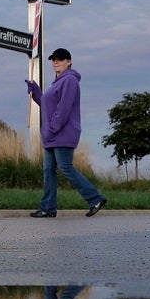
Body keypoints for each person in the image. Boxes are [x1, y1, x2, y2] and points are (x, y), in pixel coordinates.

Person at [25, 49, 107, 218]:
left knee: (66, 168)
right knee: (48, 171)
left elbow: (63, 109)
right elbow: (48, 106)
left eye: (60, 59)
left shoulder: (69, 80)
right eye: (54, 60)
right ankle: (48, 207)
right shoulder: (56, 83)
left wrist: (53, 128)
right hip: (52, 135)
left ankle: (95, 198)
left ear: (69, 61)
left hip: (62, 133)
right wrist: (36, 92)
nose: (56, 62)